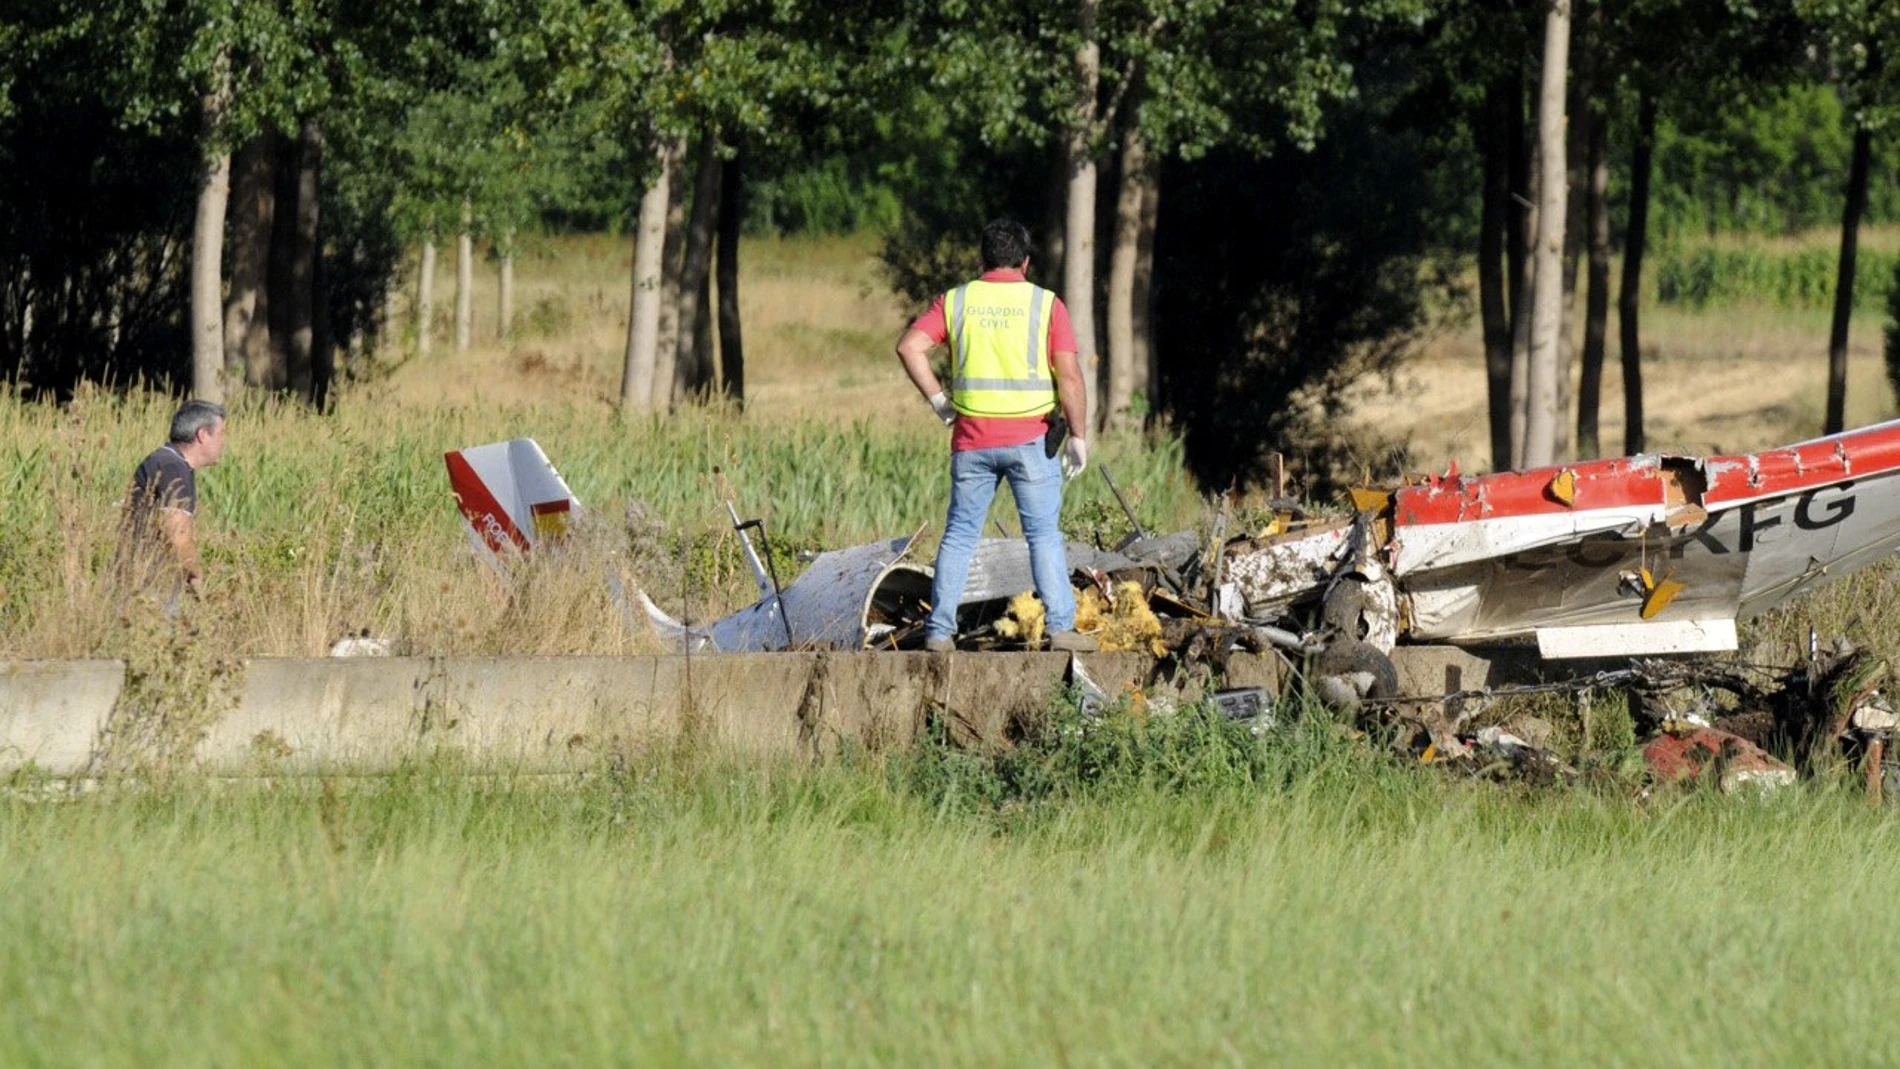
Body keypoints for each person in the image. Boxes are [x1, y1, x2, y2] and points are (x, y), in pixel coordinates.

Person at [895, 218, 1096, 653]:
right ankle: (1061, 629)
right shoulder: (1046, 305)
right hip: (1032, 440)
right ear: (1025, 262)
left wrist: (938, 402)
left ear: (982, 259)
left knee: (960, 535)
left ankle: (939, 633)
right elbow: (1071, 377)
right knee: (1043, 535)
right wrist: (1078, 434)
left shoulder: (957, 301)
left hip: (971, 441)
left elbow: (909, 347)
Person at [120, 399, 228, 598]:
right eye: (221, 434)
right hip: (148, 584)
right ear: (203, 435)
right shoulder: (172, 467)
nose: (224, 441)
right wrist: (196, 575)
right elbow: (177, 531)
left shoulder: (166, 461)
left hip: (141, 578)